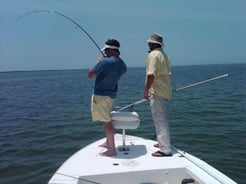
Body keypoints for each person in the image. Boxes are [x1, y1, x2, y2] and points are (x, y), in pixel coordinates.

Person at [88, 39, 127, 156]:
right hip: (111, 95)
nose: (104, 52)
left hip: (100, 95)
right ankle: (107, 141)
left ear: (109, 49)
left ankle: (112, 149)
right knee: (106, 117)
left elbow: (90, 74)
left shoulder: (104, 62)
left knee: (106, 121)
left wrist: (98, 61)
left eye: (105, 50)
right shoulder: (123, 65)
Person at [144, 33, 172, 157]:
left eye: (149, 42)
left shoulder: (153, 55)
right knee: (162, 119)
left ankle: (165, 149)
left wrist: (146, 90)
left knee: (160, 120)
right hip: (165, 92)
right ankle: (161, 143)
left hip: (157, 93)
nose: (148, 44)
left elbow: (151, 75)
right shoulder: (163, 55)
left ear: (154, 43)